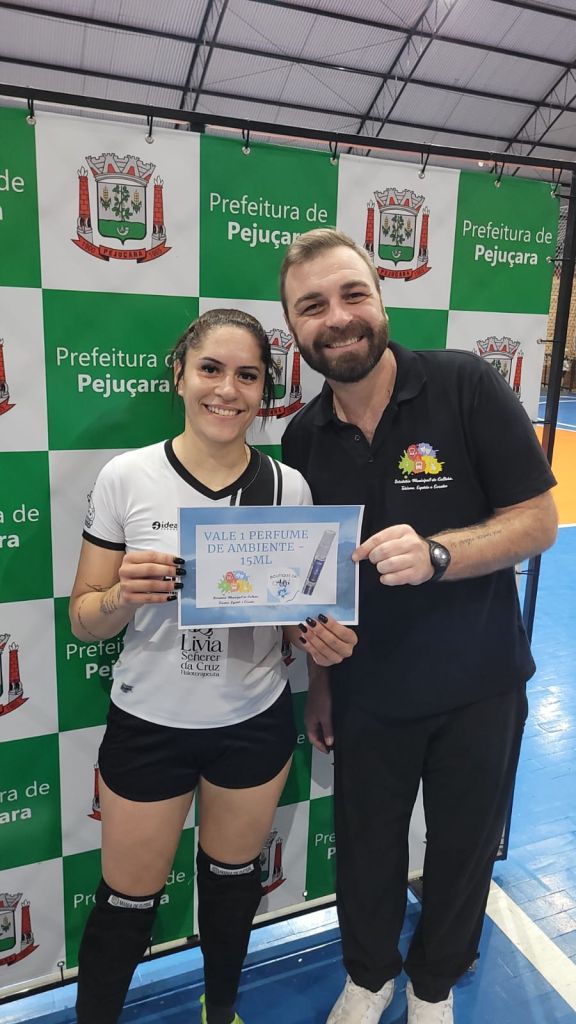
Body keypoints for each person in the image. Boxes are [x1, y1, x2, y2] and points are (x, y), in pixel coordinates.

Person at [279, 229, 558, 1024]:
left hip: (480, 683)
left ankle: (434, 985)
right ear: (294, 329)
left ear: (381, 300)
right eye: (312, 306)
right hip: (367, 693)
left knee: (463, 850)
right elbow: (317, 583)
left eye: (352, 294)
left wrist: (439, 553)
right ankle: (370, 976)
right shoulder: (302, 438)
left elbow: (539, 521)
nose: (338, 317)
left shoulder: (464, 384)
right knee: (367, 851)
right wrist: (320, 678)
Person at [69, 307, 356, 1024]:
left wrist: (321, 639)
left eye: (247, 375)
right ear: (180, 376)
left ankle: (219, 1011)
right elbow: (83, 618)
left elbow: (296, 616)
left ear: (264, 391)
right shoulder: (127, 477)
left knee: (231, 888)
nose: (227, 389)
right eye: (211, 369)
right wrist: (121, 594)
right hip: (149, 722)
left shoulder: (288, 487)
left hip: (252, 721)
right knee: (125, 904)